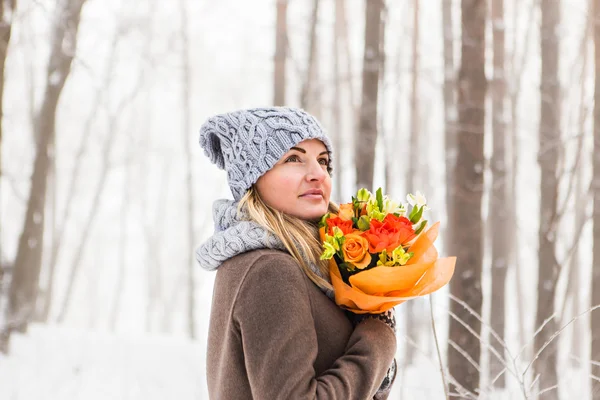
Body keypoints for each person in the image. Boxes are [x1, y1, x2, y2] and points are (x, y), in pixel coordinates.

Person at [197, 107, 397, 399]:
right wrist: (377, 338)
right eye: (293, 158)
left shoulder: (280, 264)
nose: (318, 174)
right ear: (253, 178)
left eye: (323, 161)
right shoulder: (270, 270)